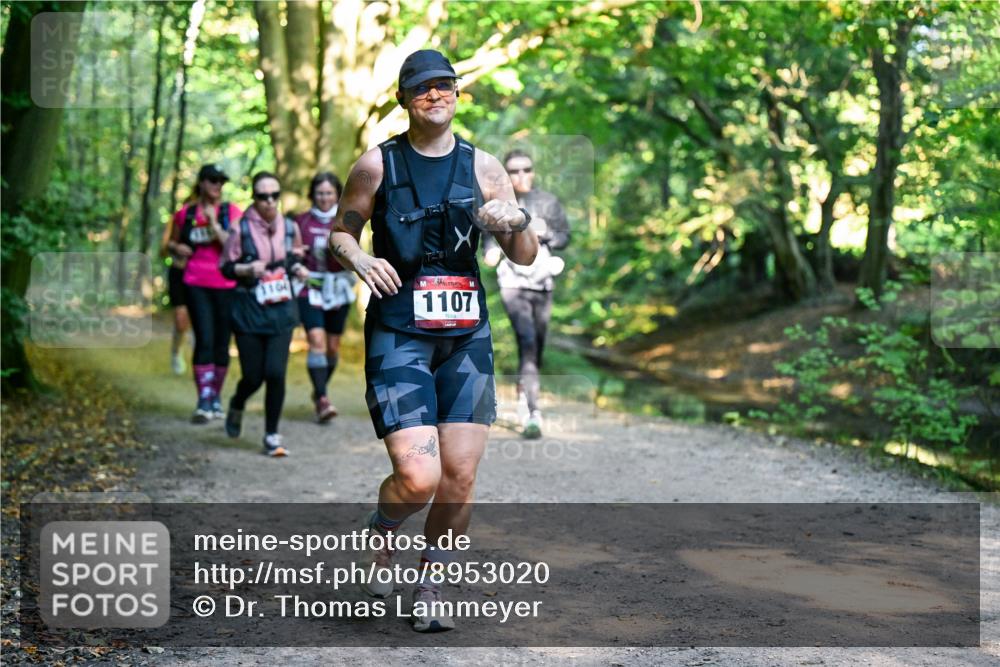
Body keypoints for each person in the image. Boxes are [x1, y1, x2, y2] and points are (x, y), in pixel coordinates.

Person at [328, 49, 538, 632]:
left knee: (460, 476)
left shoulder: (484, 167)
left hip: (465, 336)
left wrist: (515, 223)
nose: (436, 94)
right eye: (423, 88)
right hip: (399, 335)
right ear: (405, 99)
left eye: (445, 85)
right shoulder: (377, 165)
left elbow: (524, 256)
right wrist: (361, 257)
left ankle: (431, 583)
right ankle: (382, 527)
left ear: (456, 94)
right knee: (419, 479)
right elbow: (339, 234)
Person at [221, 172, 309, 457]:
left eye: (274, 195)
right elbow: (225, 267)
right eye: (263, 196)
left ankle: (271, 434)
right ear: (254, 198)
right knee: (253, 376)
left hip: (282, 309)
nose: (269, 201)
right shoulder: (240, 229)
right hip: (249, 310)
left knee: (275, 373)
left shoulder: (290, 227)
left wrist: (298, 268)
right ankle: (237, 401)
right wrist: (246, 270)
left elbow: (294, 257)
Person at [483, 148, 570, 439]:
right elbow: (488, 239)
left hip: (542, 282)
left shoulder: (548, 202)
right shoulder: (497, 203)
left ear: (533, 171)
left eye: (526, 169)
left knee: (536, 347)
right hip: (512, 284)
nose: (521, 175)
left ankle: (524, 394)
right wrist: (491, 253)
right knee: (528, 341)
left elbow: (564, 236)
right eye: (514, 170)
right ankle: (533, 413)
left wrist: (545, 234)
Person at [166, 164, 240, 423]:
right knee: (204, 338)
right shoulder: (185, 214)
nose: (217, 185)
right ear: (201, 183)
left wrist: (212, 222)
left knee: (222, 342)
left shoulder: (232, 212)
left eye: (221, 181)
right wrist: (178, 248)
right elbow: (171, 243)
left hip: (227, 285)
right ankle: (203, 400)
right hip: (195, 282)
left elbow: (234, 248)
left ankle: (216, 398)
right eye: (212, 180)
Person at [295, 172, 355, 423]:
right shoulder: (301, 221)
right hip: (310, 288)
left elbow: (357, 253)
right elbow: (292, 252)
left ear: (337, 195)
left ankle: (319, 389)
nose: (324, 197)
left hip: (338, 288)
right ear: (312, 194)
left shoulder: (348, 220)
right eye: (320, 193)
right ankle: (322, 398)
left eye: (329, 193)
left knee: (332, 347)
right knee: (316, 341)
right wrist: (297, 262)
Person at [160, 214, 191, 376]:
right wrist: (176, 247)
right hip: (179, 272)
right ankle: (176, 351)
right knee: (181, 319)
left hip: (204, 276)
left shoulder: (218, 213)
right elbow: (163, 247)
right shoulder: (180, 216)